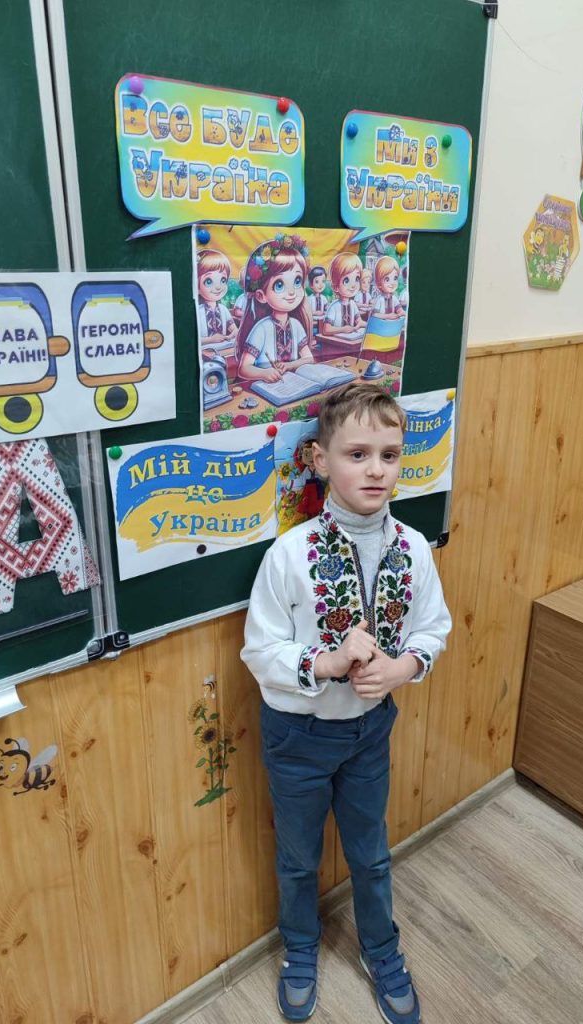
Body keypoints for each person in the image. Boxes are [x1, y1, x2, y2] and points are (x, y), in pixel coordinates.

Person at [241, 383, 452, 1023]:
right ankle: (301, 947)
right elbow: (259, 650)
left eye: (389, 455)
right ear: (320, 459)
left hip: (369, 734)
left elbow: (432, 628)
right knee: (298, 858)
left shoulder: (412, 548)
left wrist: (401, 667)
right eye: (357, 454)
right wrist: (327, 663)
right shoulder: (289, 555)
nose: (376, 470)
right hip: (298, 738)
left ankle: (382, 950)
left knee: (370, 853)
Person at [236, 234, 315, 383]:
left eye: (297, 281)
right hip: (267, 387)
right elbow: (243, 368)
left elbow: (309, 358)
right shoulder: (262, 328)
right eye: (279, 285)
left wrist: (290, 365)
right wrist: (263, 373)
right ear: (261, 296)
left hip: (293, 383)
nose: (291, 292)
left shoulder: (296, 325)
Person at [196, 249, 237, 352]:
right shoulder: (197, 312)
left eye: (223, 280)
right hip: (204, 353)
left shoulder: (223, 309)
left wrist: (232, 334)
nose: (218, 287)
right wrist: (211, 340)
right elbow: (191, 338)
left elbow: (234, 329)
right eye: (208, 281)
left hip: (224, 349)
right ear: (197, 287)